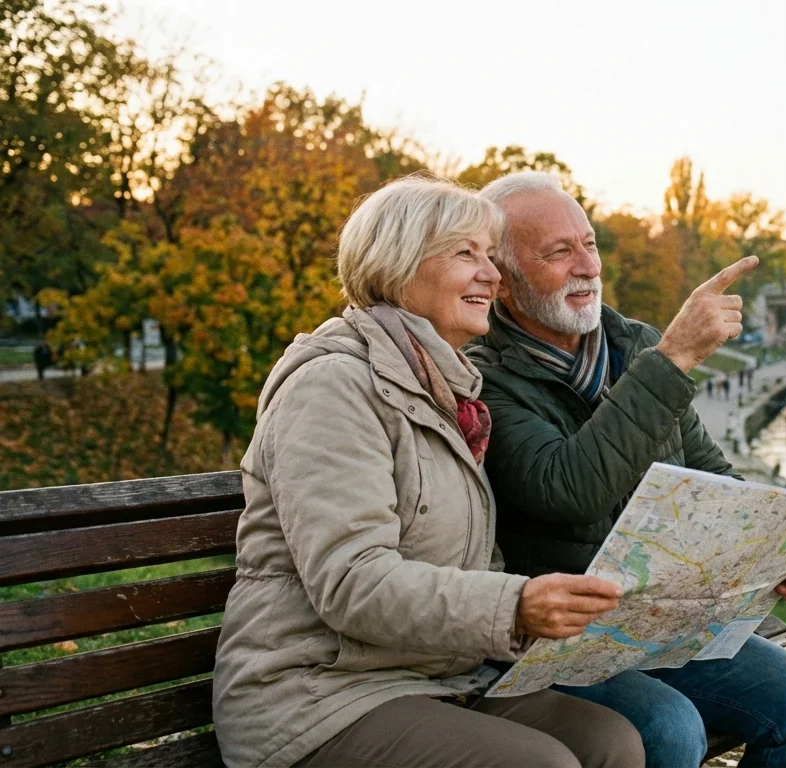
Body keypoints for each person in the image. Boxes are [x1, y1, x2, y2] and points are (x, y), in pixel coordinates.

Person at [212, 175, 644, 768]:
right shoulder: (332, 386)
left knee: (612, 743)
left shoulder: (449, 389)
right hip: (316, 692)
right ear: (398, 264)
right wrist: (514, 605)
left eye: (490, 255)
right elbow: (351, 582)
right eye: (466, 253)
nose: (493, 274)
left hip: (434, 671)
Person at [470, 172, 786, 768]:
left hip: (667, 619)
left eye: (589, 244)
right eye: (558, 252)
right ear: (503, 277)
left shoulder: (633, 347)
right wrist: (671, 359)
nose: (587, 266)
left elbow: (711, 475)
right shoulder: (483, 375)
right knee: (669, 729)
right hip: (560, 639)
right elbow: (567, 489)